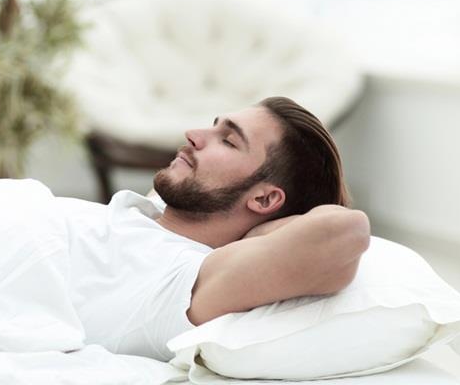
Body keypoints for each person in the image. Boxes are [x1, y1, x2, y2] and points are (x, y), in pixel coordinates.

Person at [59, 96, 370, 361]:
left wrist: (255, 234)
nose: (193, 135)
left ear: (264, 198)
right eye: (213, 126)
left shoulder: (183, 281)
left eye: (228, 141)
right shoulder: (148, 211)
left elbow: (345, 230)